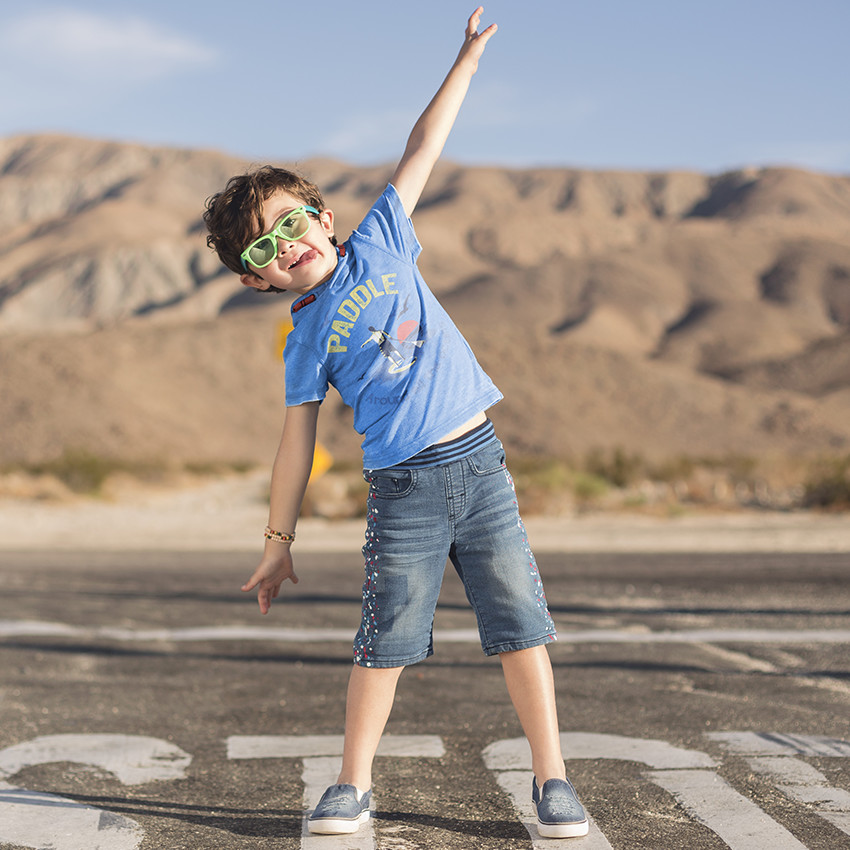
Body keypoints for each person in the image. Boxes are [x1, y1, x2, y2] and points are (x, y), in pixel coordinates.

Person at [203, 7, 588, 840]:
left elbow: (421, 148)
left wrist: (468, 63)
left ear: (323, 215)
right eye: (262, 250)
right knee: (384, 641)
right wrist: (278, 545)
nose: (286, 243)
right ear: (255, 282)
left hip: (479, 466)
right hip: (403, 490)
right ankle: (352, 784)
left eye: (291, 221)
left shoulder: (384, 238)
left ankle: (552, 777)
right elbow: (296, 443)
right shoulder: (302, 337)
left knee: (520, 627)